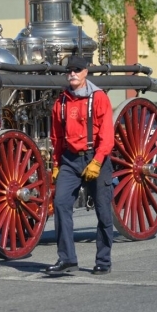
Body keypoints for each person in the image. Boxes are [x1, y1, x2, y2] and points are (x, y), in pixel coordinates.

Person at [45, 54, 114, 276]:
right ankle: (67, 259)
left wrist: (97, 161)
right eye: (69, 70)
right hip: (70, 160)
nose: (72, 73)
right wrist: (56, 163)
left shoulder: (99, 98)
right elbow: (56, 137)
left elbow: (107, 136)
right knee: (61, 203)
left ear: (86, 72)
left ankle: (103, 260)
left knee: (103, 211)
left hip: (96, 158)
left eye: (77, 70)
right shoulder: (61, 102)